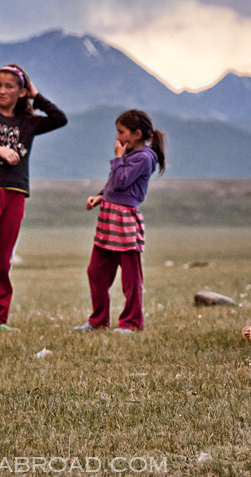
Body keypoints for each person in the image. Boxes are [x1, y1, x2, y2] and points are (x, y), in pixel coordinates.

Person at [0, 64, 67, 333]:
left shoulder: (27, 123)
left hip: (16, 193)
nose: (2, 90)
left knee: (4, 261)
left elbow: (59, 118)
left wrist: (36, 96)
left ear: (21, 92)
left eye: (9, 86)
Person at [74, 109, 166, 333]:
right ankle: (98, 320)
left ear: (137, 134)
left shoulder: (144, 158)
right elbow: (113, 183)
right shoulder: (128, 154)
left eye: (121, 132)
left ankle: (132, 322)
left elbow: (122, 180)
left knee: (130, 277)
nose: (118, 137)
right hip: (108, 219)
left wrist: (117, 158)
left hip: (124, 221)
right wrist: (100, 196)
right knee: (95, 272)